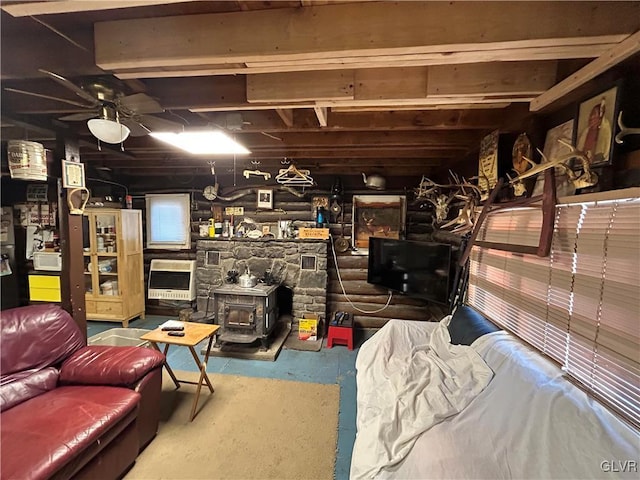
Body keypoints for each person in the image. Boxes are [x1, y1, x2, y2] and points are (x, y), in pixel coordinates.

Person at [576, 99, 612, 165]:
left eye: (594, 114)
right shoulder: (585, 133)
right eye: (591, 114)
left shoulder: (604, 131)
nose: (591, 117)